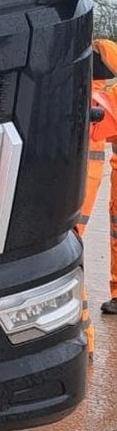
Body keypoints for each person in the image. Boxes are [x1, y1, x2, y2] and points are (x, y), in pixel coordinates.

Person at [75, 37, 117, 351]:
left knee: (67, 244)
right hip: (88, 175)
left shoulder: (93, 99)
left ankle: (82, 336)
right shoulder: (99, 97)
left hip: (79, 180)